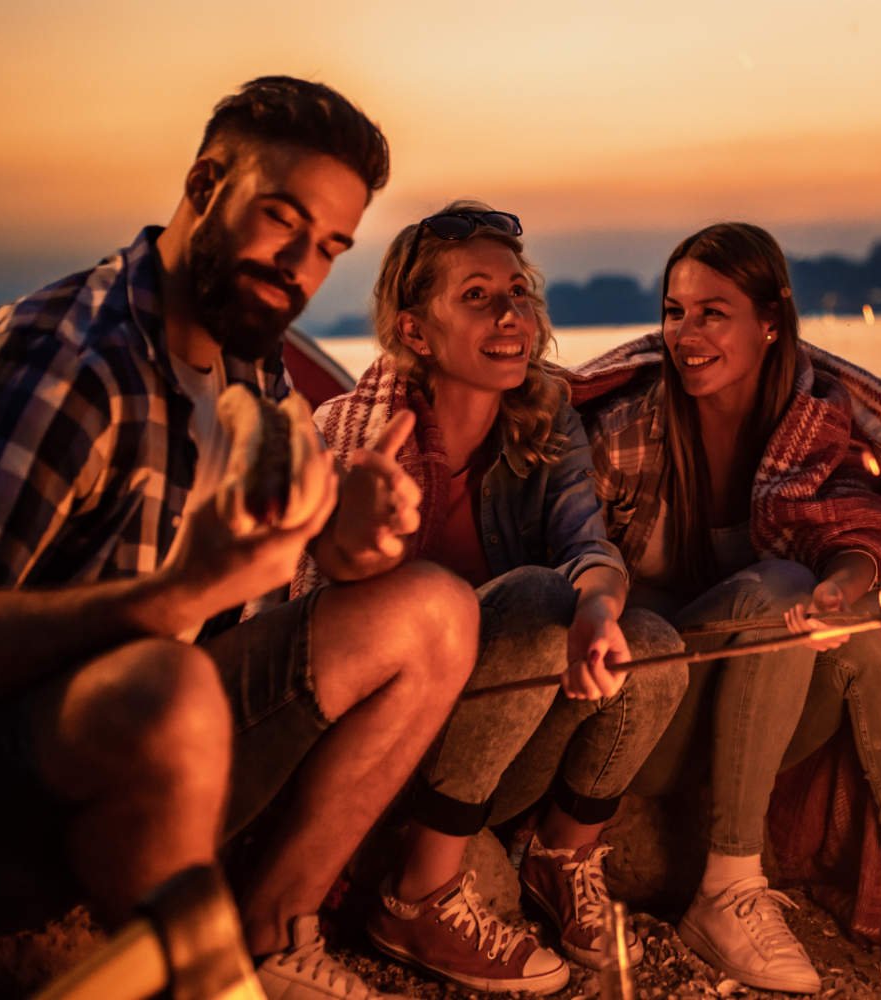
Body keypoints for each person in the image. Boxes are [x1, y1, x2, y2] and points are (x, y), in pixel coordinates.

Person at [0, 77, 479, 1000]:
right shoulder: (63, 357)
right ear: (206, 183)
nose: (298, 264)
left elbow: (280, 552)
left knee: (436, 613)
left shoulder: (248, 361)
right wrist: (171, 601)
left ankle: (273, 932)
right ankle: (206, 981)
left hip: (163, 754)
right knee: (164, 683)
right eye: (279, 218)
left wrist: (344, 541)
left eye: (328, 248)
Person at [569, 222, 881, 994]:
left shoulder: (822, 413)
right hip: (647, 709)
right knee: (775, 590)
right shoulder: (633, 422)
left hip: (770, 714)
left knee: (875, 624)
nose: (685, 334)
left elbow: (866, 531)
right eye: (674, 312)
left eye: (712, 313)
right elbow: (575, 560)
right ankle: (725, 890)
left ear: (771, 321)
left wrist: (843, 588)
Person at [302, 202, 687, 994]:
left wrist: (597, 613)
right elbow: (308, 642)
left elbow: (589, 546)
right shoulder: (350, 428)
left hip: (494, 755)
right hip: (373, 757)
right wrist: (561, 604)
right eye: (477, 296)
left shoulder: (544, 420)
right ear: (414, 332)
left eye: (519, 291)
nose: (514, 314)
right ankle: (418, 896)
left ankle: (557, 858)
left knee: (652, 649)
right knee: (538, 597)